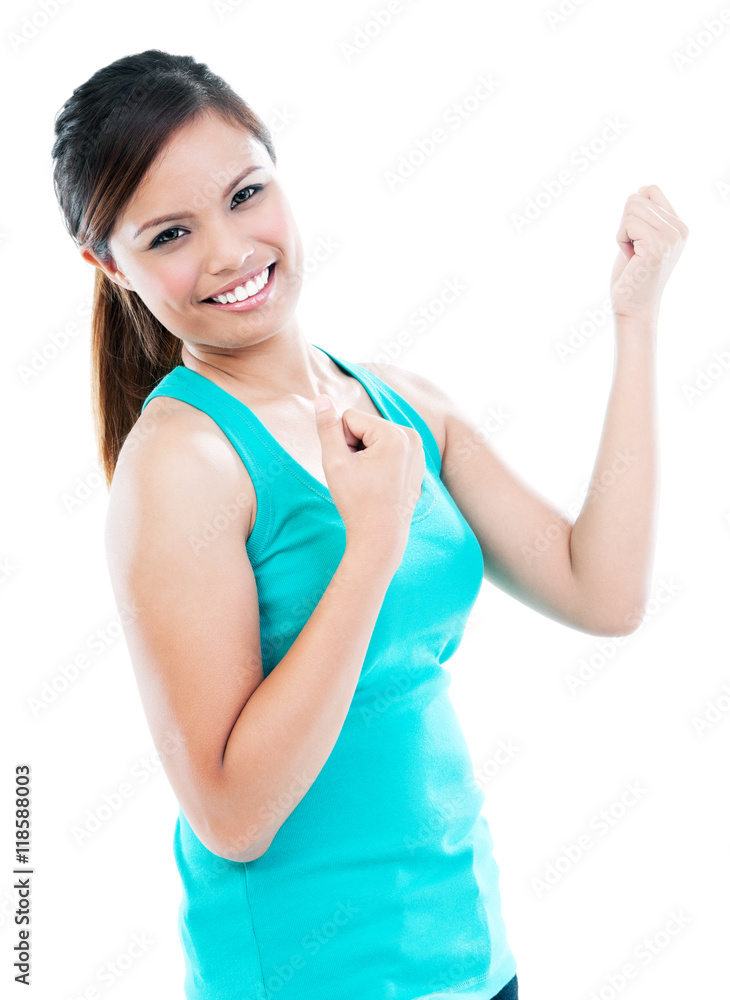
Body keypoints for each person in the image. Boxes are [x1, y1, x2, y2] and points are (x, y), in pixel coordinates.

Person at [51, 49, 687, 1000]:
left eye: (246, 192)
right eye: (172, 232)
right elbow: (231, 815)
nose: (228, 252)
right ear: (110, 263)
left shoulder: (398, 404)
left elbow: (603, 591)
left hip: (472, 958)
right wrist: (371, 549)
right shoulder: (181, 465)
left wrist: (636, 322)